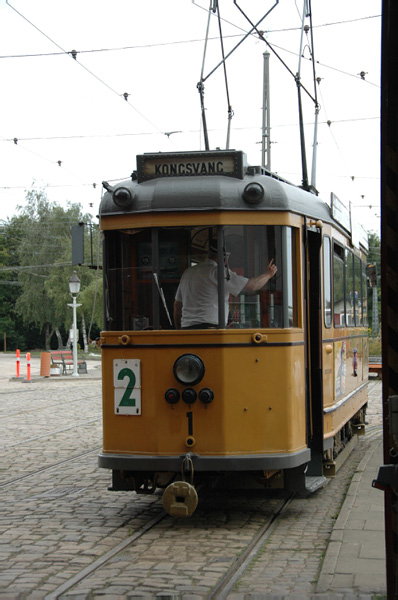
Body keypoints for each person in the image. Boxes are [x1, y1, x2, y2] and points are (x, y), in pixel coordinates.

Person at [173, 240, 277, 329]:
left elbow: (177, 306)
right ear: (224, 258)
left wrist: (179, 331)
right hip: (210, 330)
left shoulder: (188, 272)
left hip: (186, 329)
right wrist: (268, 274)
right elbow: (252, 286)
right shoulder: (217, 271)